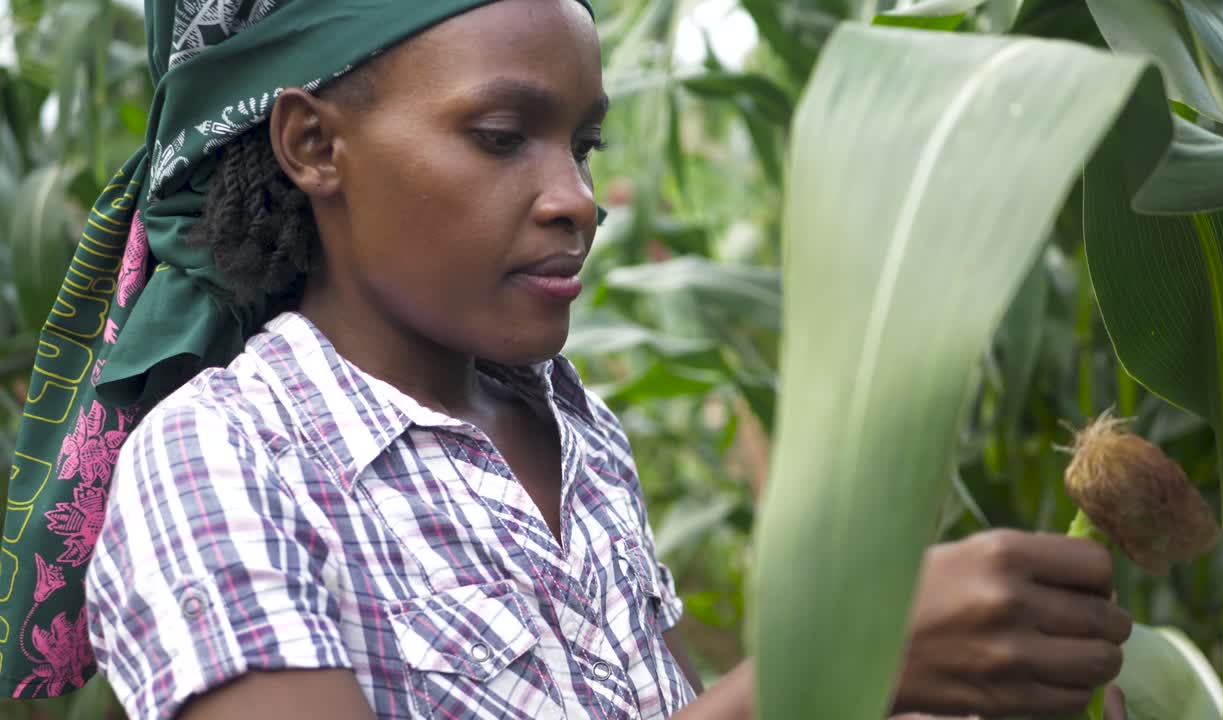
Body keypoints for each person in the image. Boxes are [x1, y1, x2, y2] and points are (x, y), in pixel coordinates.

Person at [0, 1, 1131, 718]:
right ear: (313, 145)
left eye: (582, 144)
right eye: (501, 138)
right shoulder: (220, 461)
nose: (575, 199)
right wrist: (822, 677)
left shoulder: (563, 420)